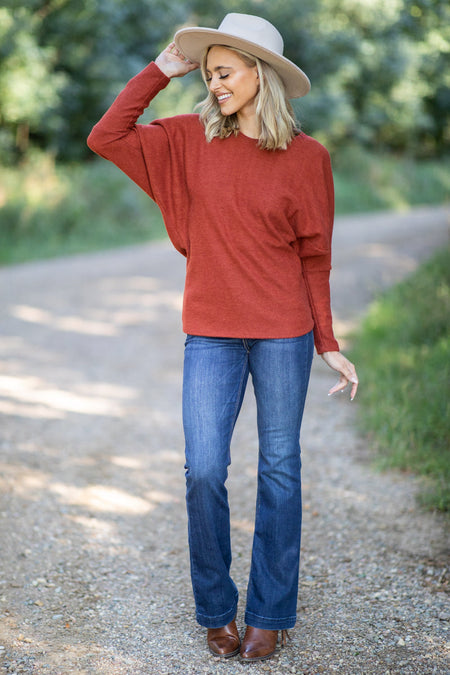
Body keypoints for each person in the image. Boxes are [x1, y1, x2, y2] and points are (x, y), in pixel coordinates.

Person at [87, 12, 358, 663]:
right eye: (209, 74)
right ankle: (216, 610)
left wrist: (327, 340)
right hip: (210, 331)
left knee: (280, 469)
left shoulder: (308, 158)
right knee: (204, 468)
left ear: (258, 74)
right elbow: (106, 135)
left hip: (283, 334)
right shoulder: (185, 141)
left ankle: (269, 613)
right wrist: (162, 69)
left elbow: (315, 258)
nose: (214, 85)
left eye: (225, 72)